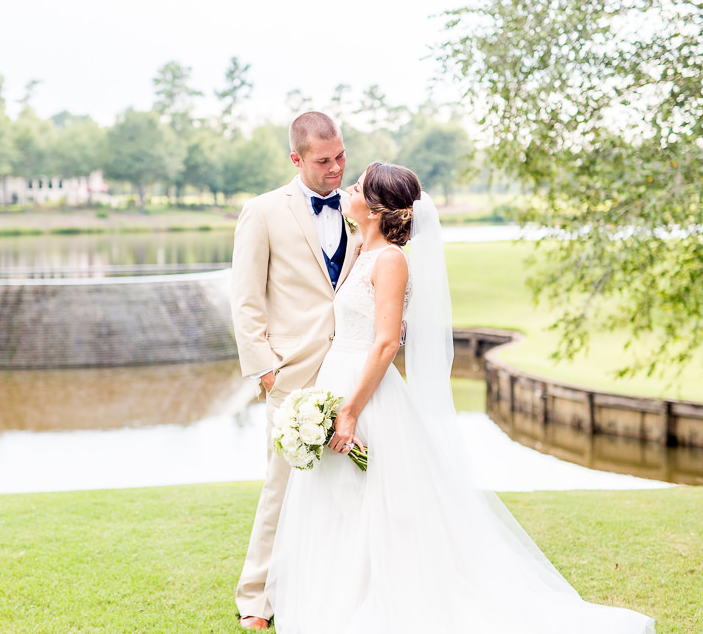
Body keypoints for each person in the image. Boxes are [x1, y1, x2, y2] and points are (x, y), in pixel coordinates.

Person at [265, 162, 655, 633]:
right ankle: (341, 598)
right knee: (343, 497)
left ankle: (385, 602)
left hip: (365, 394)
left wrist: (348, 411)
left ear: (373, 209)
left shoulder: (390, 260)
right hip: (338, 377)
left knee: (378, 501)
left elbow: (387, 343)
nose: (347, 190)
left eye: (356, 187)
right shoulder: (363, 254)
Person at [229, 111, 360, 631]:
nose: (336, 169)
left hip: (348, 369)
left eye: (341, 156)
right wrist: (264, 367)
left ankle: (338, 584)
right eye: (324, 161)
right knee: (281, 485)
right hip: (291, 372)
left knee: (350, 480)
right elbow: (244, 298)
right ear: (296, 158)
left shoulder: (356, 208)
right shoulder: (262, 212)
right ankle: (256, 599)